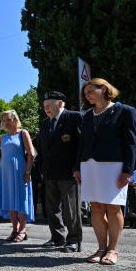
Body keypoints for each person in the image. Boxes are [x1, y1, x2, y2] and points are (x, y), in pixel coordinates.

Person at [74, 78, 136, 265]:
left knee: (113, 206)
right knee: (96, 207)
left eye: (90, 91)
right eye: (85, 94)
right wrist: (77, 167)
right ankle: (101, 248)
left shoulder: (125, 111)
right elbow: (82, 143)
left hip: (114, 165)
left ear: (104, 89)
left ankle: (113, 250)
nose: (87, 96)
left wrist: (127, 170)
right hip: (90, 164)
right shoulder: (87, 115)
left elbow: (131, 143)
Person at [37, 91, 84, 252]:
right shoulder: (45, 123)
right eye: (44, 106)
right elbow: (42, 148)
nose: (46, 108)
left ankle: (73, 240)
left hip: (69, 172)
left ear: (61, 104)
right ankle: (57, 237)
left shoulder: (74, 117)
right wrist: (42, 168)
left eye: (49, 105)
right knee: (51, 208)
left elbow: (81, 146)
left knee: (71, 209)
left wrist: (78, 167)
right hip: (49, 172)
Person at [0, 110, 36, 242]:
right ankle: (15, 229)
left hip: (20, 170)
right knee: (10, 200)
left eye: (8, 119)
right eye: (4, 120)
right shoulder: (3, 137)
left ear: (15, 120)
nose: (5, 123)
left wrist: (28, 172)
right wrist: (1, 173)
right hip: (6, 172)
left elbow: (31, 153)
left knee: (21, 199)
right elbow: (2, 156)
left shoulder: (23, 133)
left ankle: (23, 230)